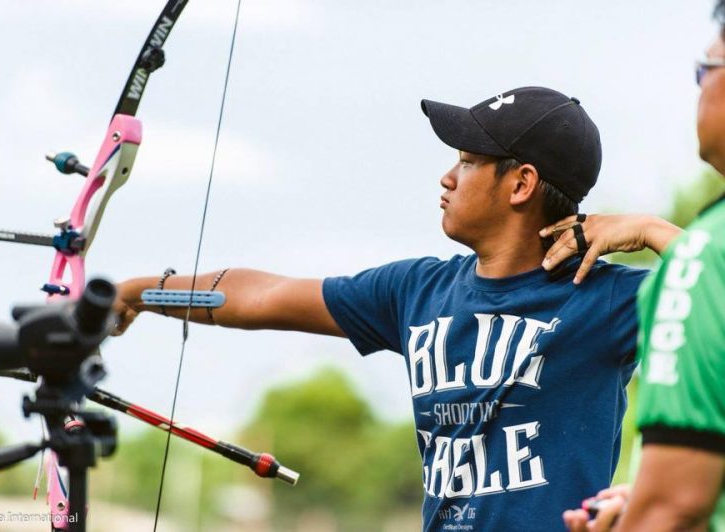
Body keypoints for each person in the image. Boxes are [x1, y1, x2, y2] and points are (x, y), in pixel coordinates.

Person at [114, 87, 680, 531]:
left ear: (521, 184)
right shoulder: (417, 291)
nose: (448, 177)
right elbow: (262, 296)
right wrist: (133, 292)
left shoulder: (607, 297)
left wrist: (655, 231)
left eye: (468, 161)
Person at [563, 3, 725, 531]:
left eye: (706, 67)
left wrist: (645, 513)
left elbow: (673, 508)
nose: (698, 86)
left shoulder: (703, 259)